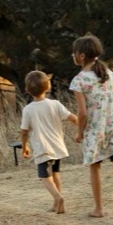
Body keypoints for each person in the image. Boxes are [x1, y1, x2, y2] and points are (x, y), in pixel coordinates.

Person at [70, 35, 113, 222]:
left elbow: (82, 112)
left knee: (95, 166)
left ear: (81, 55)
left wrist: (79, 132)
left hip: (95, 128)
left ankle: (99, 208)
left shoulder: (79, 80)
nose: (73, 56)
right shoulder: (106, 72)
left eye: (74, 53)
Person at [20, 70, 78, 214]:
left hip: (42, 149)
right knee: (55, 174)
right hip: (57, 147)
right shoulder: (55, 104)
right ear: (48, 87)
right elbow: (73, 118)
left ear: (27, 90)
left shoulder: (28, 110)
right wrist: (83, 128)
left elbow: (24, 131)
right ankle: (57, 205)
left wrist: (24, 146)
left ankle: (58, 198)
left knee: (45, 178)